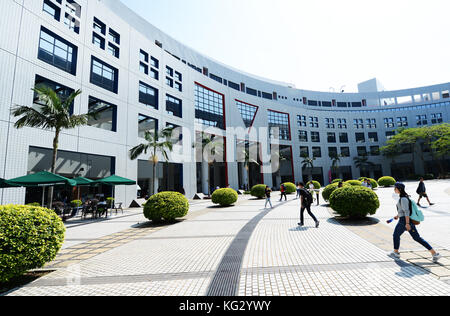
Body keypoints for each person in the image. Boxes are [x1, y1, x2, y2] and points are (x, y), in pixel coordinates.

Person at [389, 182, 441, 263]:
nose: (394, 190)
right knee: (416, 238)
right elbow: (403, 210)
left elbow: (407, 211)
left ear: (399, 189)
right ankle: (435, 254)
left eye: (395, 188)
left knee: (396, 235)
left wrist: (407, 223)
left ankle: (396, 252)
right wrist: (397, 215)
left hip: (404, 221)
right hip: (404, 219)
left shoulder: (403, 198)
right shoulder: (403, 197)